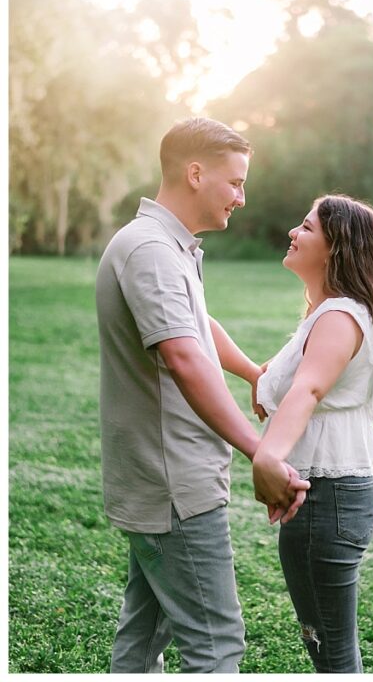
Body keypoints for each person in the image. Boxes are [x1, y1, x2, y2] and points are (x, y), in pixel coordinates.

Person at [96, 117, 309, 673]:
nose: (242, 196)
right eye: (235, 182)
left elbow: (195, 323)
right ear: (195, 173)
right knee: (216, 645)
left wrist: (251, 372)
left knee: (144, 638)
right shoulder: (150, 251)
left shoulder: (168, 246)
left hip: (166, 478)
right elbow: (184, 358)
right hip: (174, 484)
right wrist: (259, 450)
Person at [251, 193, 373, 673]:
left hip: (327, 497)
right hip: (322, 492)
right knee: (322, 641)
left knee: (331, 648)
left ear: (336, 249)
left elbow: (309, 389)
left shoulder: (339, 317)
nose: (292, 233)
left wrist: (267, 458)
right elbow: (284, 380)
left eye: (305, 228)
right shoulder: (333, 314)